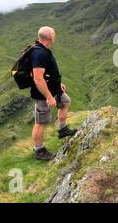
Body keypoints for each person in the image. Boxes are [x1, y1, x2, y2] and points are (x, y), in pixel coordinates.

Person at [30, 26, 77, 161]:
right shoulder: (39, 53)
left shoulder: (43, 50)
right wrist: (48, 97)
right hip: (43, 94)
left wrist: (57, 84)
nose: (55, 36)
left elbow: (48, 72)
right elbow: (38, 78)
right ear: (49, 38)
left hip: (53, 88)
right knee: (41, 121)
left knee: (66, 102)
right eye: (54, 35)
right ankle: (39, 150)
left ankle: (62, 130)